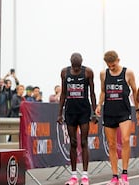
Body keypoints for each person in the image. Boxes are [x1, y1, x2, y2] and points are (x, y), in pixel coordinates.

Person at [95, 50, 138, 185]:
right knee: (112, 145)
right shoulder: (103, 74)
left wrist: (137, 109)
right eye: (109, 65)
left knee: (125, 140)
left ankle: (124, 174)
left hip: (124, 112)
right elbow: (103, 91)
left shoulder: (128, 73)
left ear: (118, 60)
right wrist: (99, 105)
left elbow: (135, 91)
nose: (111, 68)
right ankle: (115, 176)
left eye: (113, 65)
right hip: (109, 112)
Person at [57, 53, 97, 185]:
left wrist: (94, 112)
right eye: (74, 67)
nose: (76, 69)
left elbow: (92, 92)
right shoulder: (64, 72)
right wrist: (59, 113)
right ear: (70, 63)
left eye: (78, 67)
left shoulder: (88, 72)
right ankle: (73, 175)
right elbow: (63, 93)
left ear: (81, 63)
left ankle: (85, 175)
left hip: (84, 111)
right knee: (73, 142)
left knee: (84, 142)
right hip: (70, 111)